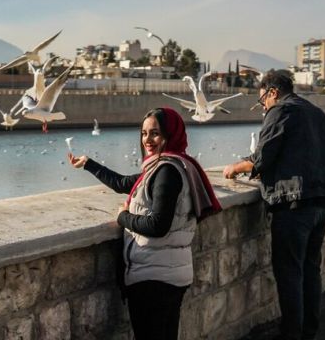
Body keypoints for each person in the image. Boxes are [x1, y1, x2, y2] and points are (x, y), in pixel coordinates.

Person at [69, 107, 221, 340]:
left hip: (154, 278)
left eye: (155, 133)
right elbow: (123, 183)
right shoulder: (172, 166)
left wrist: (123, 217)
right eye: (143, 133)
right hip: (168, 273)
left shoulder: (167, 172)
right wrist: (88, 163)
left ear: (170, 134)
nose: (147, 140)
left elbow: (158, 225)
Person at [223, 70, 325, 340]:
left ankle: (291, 334)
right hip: (322, 202)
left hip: (294, 204)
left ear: (272, 92)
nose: (262, 106)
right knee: (310, 270)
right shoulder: (316, 113)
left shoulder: (280, 111)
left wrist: (236, 167)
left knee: (290, 274)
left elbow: (262, 158)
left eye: (261, 100)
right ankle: (309, 330)